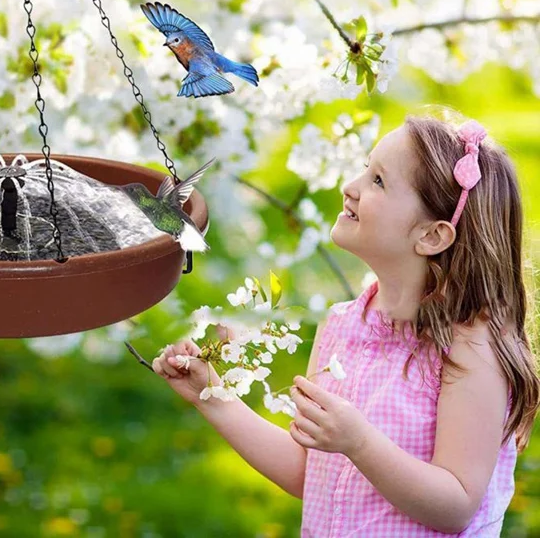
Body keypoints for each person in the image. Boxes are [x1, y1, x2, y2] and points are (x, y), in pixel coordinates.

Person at [153, 114, 539, 536]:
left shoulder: (470, 348)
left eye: (378, 181)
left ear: (431, 237)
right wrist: (213, 396)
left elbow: (457, 503)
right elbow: (310, 472)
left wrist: (360, 443)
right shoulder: (342, 326)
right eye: (365, 168)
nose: (350, 186)